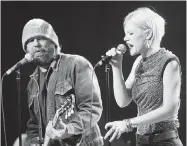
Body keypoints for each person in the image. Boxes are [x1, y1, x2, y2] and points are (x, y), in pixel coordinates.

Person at [104, 7, 183, 146]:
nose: (125, 38)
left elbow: (170, 109)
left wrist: (128, 123)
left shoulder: (169, 62)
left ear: (148, 34)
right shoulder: (139, 62)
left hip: (165, 141)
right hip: (142, 141)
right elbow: (123, 101)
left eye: (130, 33)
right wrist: (117, 67)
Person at [21, 18, 103, 146]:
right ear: (26, 50)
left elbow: (92, 108)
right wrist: (35, 142)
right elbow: (34, 125)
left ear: (54, 43)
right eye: (30, 41)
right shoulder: (32, 83)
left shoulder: (76, 64)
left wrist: (68, 130)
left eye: (41, 38)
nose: (36, 43)